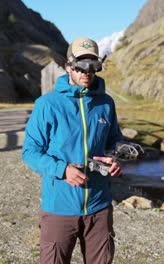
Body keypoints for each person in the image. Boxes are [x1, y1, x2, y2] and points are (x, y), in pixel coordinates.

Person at [22, 37, 123, 264]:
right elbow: (30, 151)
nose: (87, 72)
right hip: (59, 206)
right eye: (80, 65)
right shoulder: (47, 105)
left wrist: (116, 157)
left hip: (99, 206)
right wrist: (62, 169)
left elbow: (114, 140)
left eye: (93, 65)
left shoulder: (106, 103)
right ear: (69, 66)